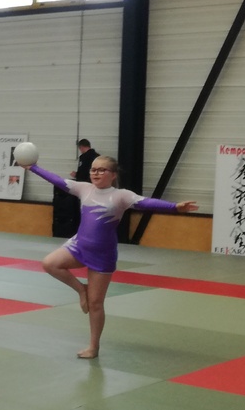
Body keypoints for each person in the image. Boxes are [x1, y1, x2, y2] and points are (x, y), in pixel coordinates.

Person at [27, 154, 197, 359]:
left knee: (96, 304)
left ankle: (93, 347)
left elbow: (146, 202)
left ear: (113, 175)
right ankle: (81, 290)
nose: (95, 173)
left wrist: (175, 207)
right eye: (93, 169)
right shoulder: (84, 188)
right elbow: (58, 181)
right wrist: (33, 167)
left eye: (101, 170)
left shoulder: (121, 196)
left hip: (102, 255)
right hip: (78, 246)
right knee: (50, 263)